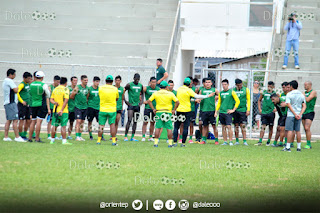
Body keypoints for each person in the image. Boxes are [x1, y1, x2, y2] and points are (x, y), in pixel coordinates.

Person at [173, 77, 215, 147]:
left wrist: (194, 100)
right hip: (187, 110)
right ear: (189, 84)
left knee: (176, 127)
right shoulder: (189, 90)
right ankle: (183, 143)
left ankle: (174, 142)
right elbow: (197, 96)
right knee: (186, 127)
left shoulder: (179, 89)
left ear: (183, 83)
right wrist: (208, 95)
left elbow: (183, 99)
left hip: (179, 110)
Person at [148, 81, 179, 147]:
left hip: (159, 112)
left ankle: (156, 143)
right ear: (166, 87)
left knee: (158, 127)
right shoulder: (170, 94)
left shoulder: (156, 93)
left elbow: (149, 101)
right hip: (168, 112)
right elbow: (177, 102)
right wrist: (174, 110)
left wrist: (153, 109)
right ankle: (170, 144)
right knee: (169, 128)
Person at [282, 80, 306, 152]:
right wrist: (299, 114)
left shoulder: (289, 94)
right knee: (298, 131)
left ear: (291, 86)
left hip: (291, 115)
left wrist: (294, 114)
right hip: (299, 115)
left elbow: (288, 105)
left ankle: (288, 147)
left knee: (290, 130)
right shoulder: (301, 94)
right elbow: (304, 106)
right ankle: (299, 147)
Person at [214, 79, 240, 146]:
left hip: (228, 112)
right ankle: (225, 141)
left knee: (229, 126)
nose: (224, 86)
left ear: (228, 85)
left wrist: (233, 110)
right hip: (222, 112)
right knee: (223, 127)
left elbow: (237, 101)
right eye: (223, 84)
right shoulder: (221, 93)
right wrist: (216, 111)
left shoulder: (232, 92)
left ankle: (231, 141)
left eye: (225, 84)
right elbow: (219, 102)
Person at [2, 69, 25, 142]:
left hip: (8, 103)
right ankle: (17, 136)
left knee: (9, 120)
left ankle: (6, 136)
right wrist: (17, 88)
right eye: (14, 74)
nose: (15, 76)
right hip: (11, 103)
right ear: (11, 74)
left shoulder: (5, 81)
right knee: (15, 120)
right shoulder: (9, 81)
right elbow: (16, 90)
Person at [28, 71, 51, 142]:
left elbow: (30, 93)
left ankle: (29, 138)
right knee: (39, 122)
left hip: (33, 104)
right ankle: (37, 138)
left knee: (33, 121)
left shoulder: (31, 84)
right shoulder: (43, 85)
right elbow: (48, 94)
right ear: (42, 77)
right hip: (41, 104)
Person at [49, 77, 72, 145]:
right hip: (63, 111)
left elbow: (51, 99)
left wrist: (55, 103)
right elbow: (66, 100)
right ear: (66, 83)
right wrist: (61, 110)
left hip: (55, 110)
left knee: (54, 125)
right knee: (63, 126)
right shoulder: (66, 89)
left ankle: (52, 140)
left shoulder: (55, 89)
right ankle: (64, 141)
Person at [97, 75, 119, 146]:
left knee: (101, 125)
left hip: (102, 109)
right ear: (112, 82)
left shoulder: (101, 88)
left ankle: (98, 140)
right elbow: (117, 98)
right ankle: (113, 141)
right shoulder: (115, 89)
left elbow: (99, 96)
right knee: (112, 125)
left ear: (105, 81)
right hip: (112, 110)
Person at [197, 78, 219, 145]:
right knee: (204, 126)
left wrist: (217, 97)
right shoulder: (202, 90)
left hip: (212, 110)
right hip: (204, 110)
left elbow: (219, 96)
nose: (207, 83)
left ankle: (216, 140)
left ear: (211, 83)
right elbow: (198, 98)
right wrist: (199, 100)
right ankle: (204, 139)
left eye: (209, 82)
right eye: (206, 82)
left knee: (214, 125)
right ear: (204, 83)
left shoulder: (214, 90)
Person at [124, 73, 143, 141]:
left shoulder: (140, 85)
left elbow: (142, 93)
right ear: (133, 78)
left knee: (135, 121)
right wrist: (126, 101)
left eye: (138, 79)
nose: (137, 81)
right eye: (136, 79)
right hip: (131, 105)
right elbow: (123, 91)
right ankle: (125, 136)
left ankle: (132, 136)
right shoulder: (129, 85)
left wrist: (141, 102)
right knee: (129, 120)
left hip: (137, 106)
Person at [256, 81, 276, 146]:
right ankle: (260, 141)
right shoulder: (264, 93)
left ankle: (268, 141)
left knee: (271, 127)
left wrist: (276, 109)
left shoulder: (275, 94)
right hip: (264, 112)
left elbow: (278, 101)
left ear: (273, 87)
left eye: (271, 86)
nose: (269, 88)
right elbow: (259, 100)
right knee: (263, 126)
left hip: (271, 112)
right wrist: (260, 109)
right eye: (268, 86)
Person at [70, 75, 89, 141]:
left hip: (85, 107)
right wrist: (77, 101)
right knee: (78, 121)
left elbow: (87, 97)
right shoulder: (77, 87)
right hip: (78, 107)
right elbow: (72, 96)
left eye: (87, 80)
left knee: (82, 122)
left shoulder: (87, 88)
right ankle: (77, 136)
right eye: (85, 80)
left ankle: (80, 136)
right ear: (81, 80)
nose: (86, 81)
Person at [142, 77, 160, 142]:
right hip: (147, 108)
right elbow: (140, 93)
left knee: (152, 122)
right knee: (145, 122)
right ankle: (143, 136)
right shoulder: (146, 88)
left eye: (155, 82)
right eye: (152, 82)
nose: (153, 83)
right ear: (150, 82)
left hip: (155, 108)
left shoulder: (158, 89)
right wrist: (142, 101)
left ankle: (150, 136)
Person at [233, 79, 250, 146]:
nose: (239, 86)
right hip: (235, 110)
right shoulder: (233, 90)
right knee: (236, 125)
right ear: (236, 85)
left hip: (243, 110)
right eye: (238, 85)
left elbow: (248, 100)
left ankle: (244, 140)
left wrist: (248, 109)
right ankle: (237, 140)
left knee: (242, 125)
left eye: (240, 85)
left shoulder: (246, 90)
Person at [17, 72, 33, 140]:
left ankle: (24, 133)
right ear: (24, 78)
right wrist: (21, 101)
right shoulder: (22, 84)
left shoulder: (28, 84)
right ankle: (20, 134)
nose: (30, 80)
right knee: (22, 120)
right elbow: (17, 92)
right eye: (28, 78)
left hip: (28, 105)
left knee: (28, 120)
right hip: (22, 105)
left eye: (30, 78)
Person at [273, 82, 289, 147]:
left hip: (287, 114)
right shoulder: (281, 95)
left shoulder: (289, 94)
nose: (283, 89)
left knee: (285, 129)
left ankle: (285, 142)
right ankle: (275, 142)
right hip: (281, 114)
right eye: (282, 87)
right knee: (278, 128)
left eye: (284, 87)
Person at [302, 81, 317, 149]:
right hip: (303, 112)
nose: (304, 86)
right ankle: (307, 142)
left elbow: (307, 99)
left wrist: (303, 95)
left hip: (310, 112)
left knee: (307, 127)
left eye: (306, 85)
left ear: (309, 85)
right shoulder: (304, 93)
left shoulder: (313, 92)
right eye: (304, 85)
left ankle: (309, 144)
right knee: (305, 129)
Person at [87, 76, 102, 141]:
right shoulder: (89, 89)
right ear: (93, 81)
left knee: (101, 122)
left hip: (98, 108)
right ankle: (90, 135)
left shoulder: (100, 89)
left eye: (98, 81)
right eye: (96, 81)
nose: (97, 83)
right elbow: (87, 98)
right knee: (90, 122)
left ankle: (101, 135)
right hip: (91, 107)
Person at [47, 75, 60, 140]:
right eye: (57, 82)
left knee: (56, 121)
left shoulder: (59, 88)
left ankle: (54, 134)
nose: (58, 83)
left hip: (57, 108)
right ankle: (49, 135)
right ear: (54, 81)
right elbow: (48, 98)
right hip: (51, 107)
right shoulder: (50, 87)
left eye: (59, 82)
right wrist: (48, 108)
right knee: (50, 121)